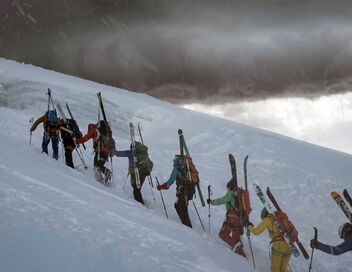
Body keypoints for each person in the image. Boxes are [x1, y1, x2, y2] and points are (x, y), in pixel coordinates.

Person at [207, 179, 246, 257]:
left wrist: (211, 202)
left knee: (223, 234)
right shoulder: (240, 193)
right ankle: (242, 256)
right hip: (240, 218)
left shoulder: (231, 193)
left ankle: (237, 246)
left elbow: (222, 200)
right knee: (236, 237)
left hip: (231, 218)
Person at [246, 208, 291, 272]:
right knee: (283, 269)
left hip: (279, 247)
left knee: (275, 269)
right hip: (289, 245)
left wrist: (249, 226)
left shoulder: (268, 219)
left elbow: (256, 231)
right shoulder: (280, 218)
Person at [157, 155, 196, 228]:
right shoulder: (188, 168)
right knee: (180, 207)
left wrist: (160, 187)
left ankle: (188, 228)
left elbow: (170, 182)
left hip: (182, 191)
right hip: (190, 190)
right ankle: (187, 225)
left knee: (180, 208)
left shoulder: (177, 169)